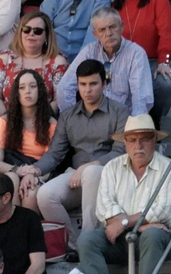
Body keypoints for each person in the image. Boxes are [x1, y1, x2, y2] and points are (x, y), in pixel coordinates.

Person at [20, 60, 128, 255]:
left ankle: (89, 237)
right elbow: (54, 154)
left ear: (104, 84)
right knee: (44, 195)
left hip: (109, 176)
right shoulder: (68, 115)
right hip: (77, 178)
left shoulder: (119, 111)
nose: (87, 90)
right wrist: (35, 170)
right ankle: (75, 246)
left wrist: (87, 167)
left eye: (93, 84)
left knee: (93, 172)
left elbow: (120, 151)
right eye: (83, 84)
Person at [80, 114, 171, 274]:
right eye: (132, 140)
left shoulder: (169, 168)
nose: (138, 145)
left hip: (153, 241)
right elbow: (104, 208)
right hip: (119, 239)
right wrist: (139, 223)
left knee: (152, 233)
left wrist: (125, 222)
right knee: (86, 241)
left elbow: (163, 211)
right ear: (125, 143)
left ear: (154, 140)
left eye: (144, 139)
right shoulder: (112, 168)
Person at [0, 71, 56, 214]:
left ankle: (29, 232)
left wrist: (32, 175)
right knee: (11, 180)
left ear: (40, 91)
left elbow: (51, 163)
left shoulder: (51, 124)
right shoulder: (5, 121)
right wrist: (18, 170)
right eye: (22, 87)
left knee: (30, 193)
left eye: (32, 86)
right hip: (12, 168)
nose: (27, 91)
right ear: (16, 93)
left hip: (39, 172)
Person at [39, 0, 110, 61]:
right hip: (55, 56)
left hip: (85, 58)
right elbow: (43, 26)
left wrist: (82, 60)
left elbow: (96, 25)